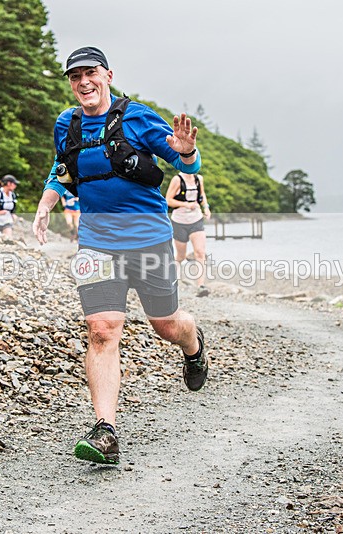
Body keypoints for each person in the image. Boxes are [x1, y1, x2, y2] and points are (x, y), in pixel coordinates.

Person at [32, 46, 208, 465]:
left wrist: (185, 151)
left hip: (148, 238)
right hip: (96, 241)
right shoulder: (66, 123)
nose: (82, 83)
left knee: (166, 324)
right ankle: (105, 431)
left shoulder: (138, 116)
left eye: (90, 73)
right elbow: (63, 169)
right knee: (102, 330)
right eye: (74, 77)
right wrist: (46, 203)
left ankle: (194, 344)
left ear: (108, 75)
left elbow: (187, 162)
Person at [165, 172, 211, 296]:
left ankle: (201, 286)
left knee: (200, 253)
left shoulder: (198, 179)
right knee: (180, 256)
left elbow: (202, 195)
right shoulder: (177, 179)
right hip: (179, 221)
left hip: (196, 219)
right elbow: (168, 200)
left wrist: (206, 208)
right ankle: (172, 282)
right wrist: (186, 204)